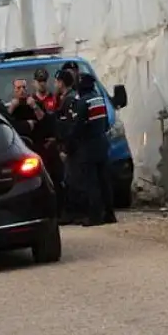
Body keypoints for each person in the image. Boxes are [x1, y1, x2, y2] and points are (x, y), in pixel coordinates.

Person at [64, 72, 117, 226]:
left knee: (91, 182)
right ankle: (109, 214)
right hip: (102, 144)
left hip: (88, 147)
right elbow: (106, 123)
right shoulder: (99, 99)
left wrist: (68, 144)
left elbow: (77, 127)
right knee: (104, 181)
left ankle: (95, 216)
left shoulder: (82, 103)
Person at [53, 69, 86, 224]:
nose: (55, 84)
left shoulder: (69, 100)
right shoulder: (64, 98)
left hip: (72, 148)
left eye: (56, 81)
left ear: (61, 82)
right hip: (69, 146)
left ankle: (75, 213)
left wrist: (65, 149)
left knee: (72, 180)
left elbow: (69, 126)